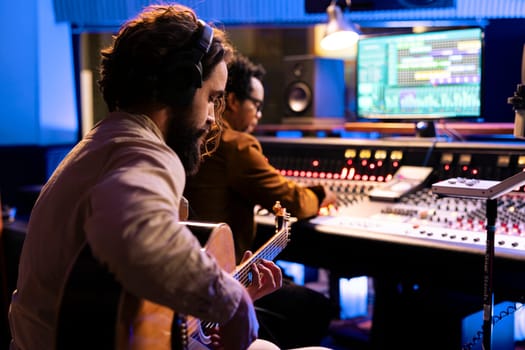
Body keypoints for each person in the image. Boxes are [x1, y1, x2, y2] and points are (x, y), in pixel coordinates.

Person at [7, 4, 285, 350]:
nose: (214, 118)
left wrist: (214, 294)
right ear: (181, 85)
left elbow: (125, 291)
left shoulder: (102, 144)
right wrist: (235, 302)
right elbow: (138, 233)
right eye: (211, 98)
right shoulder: (144, 151)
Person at [184, 52, 340, 349]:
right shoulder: (235, 145)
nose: (258, 114)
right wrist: (321, 194)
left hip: (195, 281)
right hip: (223, 281)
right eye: (255, 104)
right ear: (231, 101)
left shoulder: (189, 140)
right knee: (315, 306)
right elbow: (291, 201)